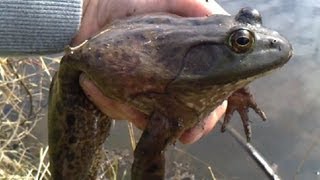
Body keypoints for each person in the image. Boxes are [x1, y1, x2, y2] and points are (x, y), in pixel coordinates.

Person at [0, 0, 228, 144]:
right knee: (75, 164)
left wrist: (91, 6)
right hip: (82, 76)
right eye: (240, 41)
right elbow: (148, 153)